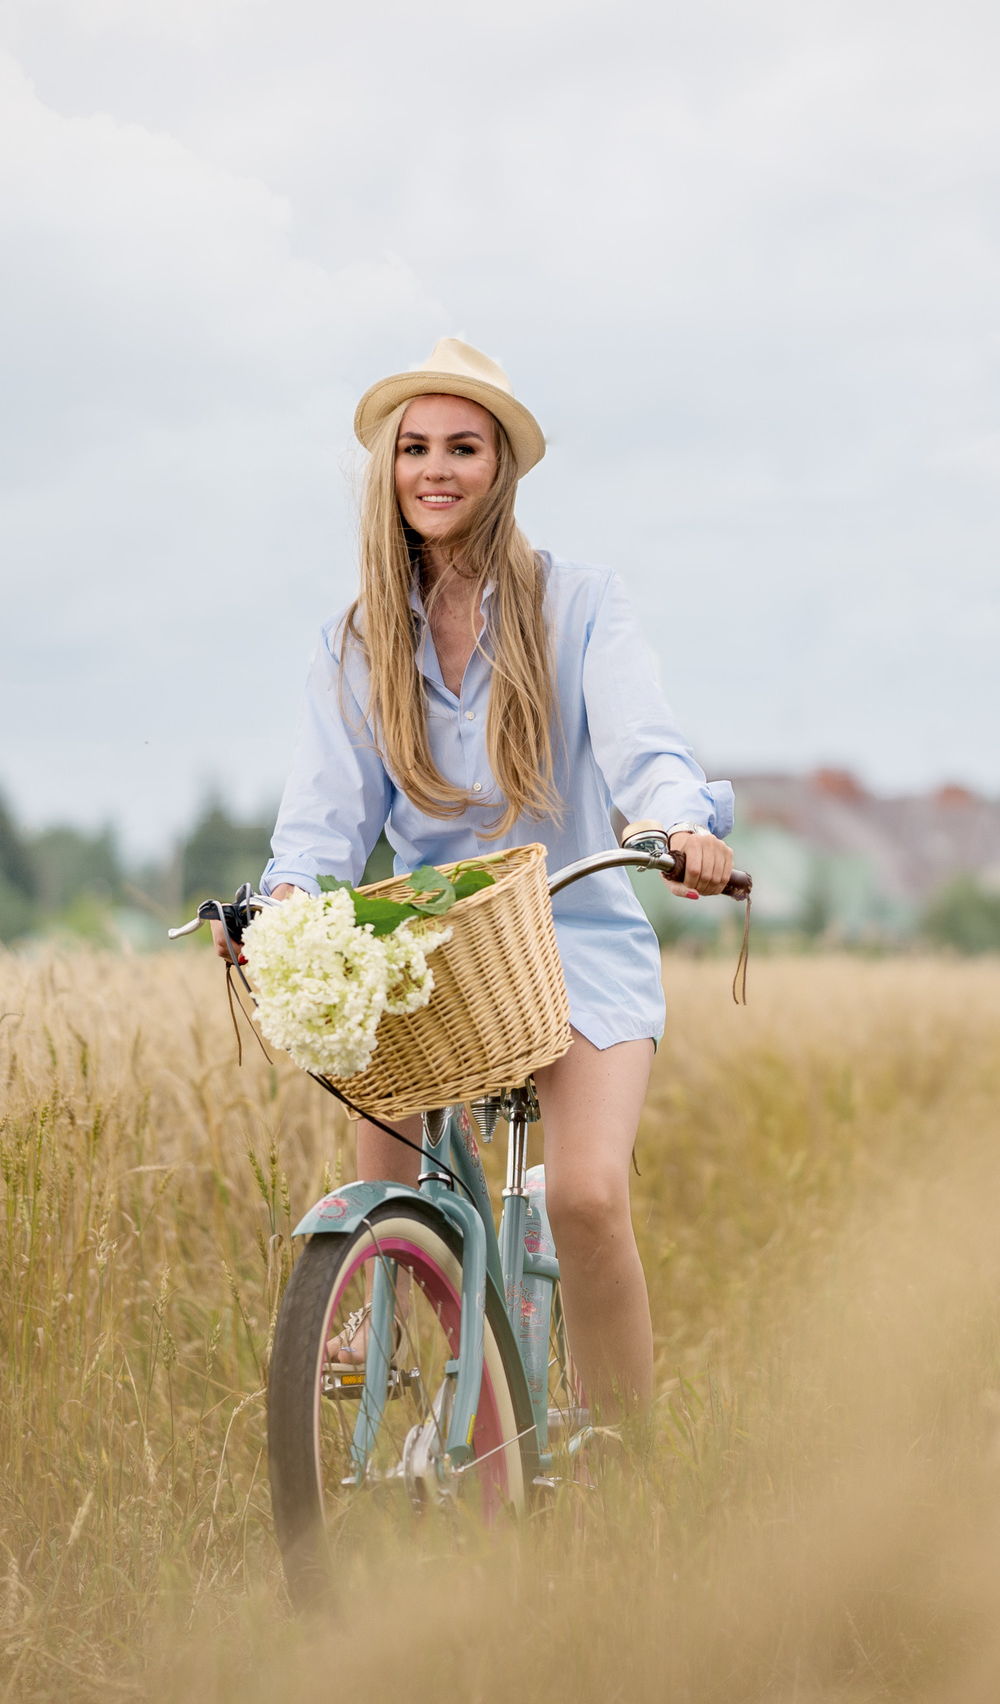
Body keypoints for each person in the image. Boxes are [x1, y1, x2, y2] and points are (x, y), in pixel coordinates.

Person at [220, 337, 735, 1431]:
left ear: (501, 469)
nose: (436, 469)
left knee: (590, 1196)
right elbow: (322, 821)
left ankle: (623, 1471)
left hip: (574, 934)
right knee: (393, 1202)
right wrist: (280, 906)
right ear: (387, 469)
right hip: (422, 956)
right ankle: (454, 1402)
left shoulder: (580, 605)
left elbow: (646, 743)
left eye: (463, 446)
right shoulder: (357, 642)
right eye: (414, 448)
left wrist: (679, 824)